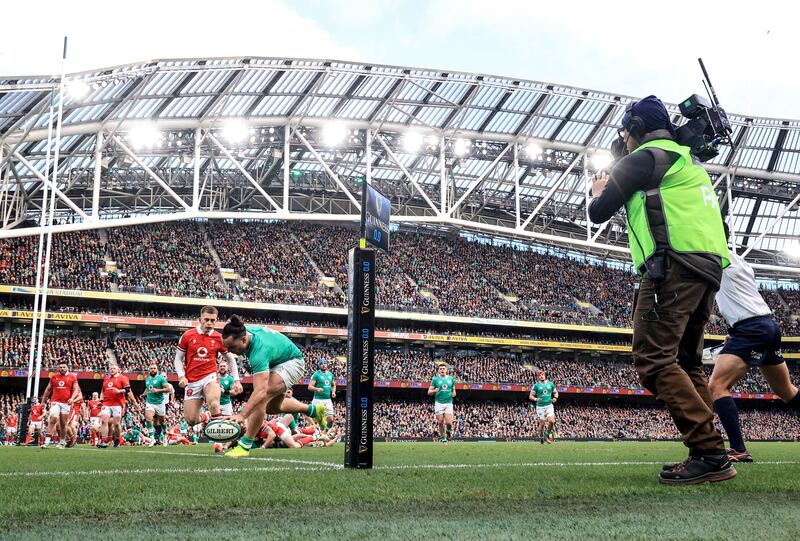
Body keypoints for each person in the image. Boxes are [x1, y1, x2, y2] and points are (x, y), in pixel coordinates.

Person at [588, 95, 735, 484]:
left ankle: (709, 451)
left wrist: (598, 188)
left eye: (625, 131)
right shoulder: (689, 163)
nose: (623, 139)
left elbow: (597, 213)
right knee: (687, 362)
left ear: (635, 129)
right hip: (706, 271)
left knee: (653, 360)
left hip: (671, 269)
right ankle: (709, 451)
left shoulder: (644, 159)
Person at [707, 225, 800, 462]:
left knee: (717, 386)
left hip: (751, 329)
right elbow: (739, 296)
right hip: (767, 325)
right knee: (786, 391)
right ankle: (738, 448)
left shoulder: (716, 256)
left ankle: (738, 449)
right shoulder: (739, 260)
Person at [220, 315, 327, 457]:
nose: (229, 351)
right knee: (272, 407)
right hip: (277, 360)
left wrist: (242, 415)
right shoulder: (244, 332)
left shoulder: (259, 352)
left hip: (293, 362)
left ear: (244, 339)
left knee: (262, 398)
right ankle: (313, 409)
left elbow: (260, 391)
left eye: (231, 347)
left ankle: (244, 446)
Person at [174, 306, 242, 426]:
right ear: (200, 319)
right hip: (192, 380)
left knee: (214, 404)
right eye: (206, 319)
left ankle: (220, 441)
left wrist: (236, 380)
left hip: (210, 376)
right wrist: (181, 376)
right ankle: (206, 416)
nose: (209, 323)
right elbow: (178, 359)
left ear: (216, 320)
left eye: (212, 320)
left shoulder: (218, 338)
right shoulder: (187, 335)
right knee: (191, 420)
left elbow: (230, 359)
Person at [40, 362, 81, 449]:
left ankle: (62, 441)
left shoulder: (72, 377)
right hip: (55, 401)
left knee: (63, 423)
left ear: (67, 368)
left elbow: (76, 390)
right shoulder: (54, 376)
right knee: (53, 419)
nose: (62, 368)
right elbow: (48, 389)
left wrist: (72, 399)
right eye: (60, 367)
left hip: (66, 403)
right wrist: (43, 401)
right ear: (58, 368)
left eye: (64, 367)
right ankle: (46, 442)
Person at [97, 364, 138, 448]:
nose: (112, 370)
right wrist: (100, 401)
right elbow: (102, 391)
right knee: (104, 420)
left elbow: (127, 390)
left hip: (118, 404)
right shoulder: (106, 379)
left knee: (116, 424)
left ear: (118, 369)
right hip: (106, 403)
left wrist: (134, 401)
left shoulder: (123, 378)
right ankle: (104, 440)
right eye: (110, 368)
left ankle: (117, 440)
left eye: (114, 368)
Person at [141, 363, 170, 446]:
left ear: (157, 370)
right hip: (150, 402)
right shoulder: (147, 379)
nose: (152, 370)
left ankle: (164, 435)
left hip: (160, 403)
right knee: (148, 419)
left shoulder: (161, 379)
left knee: (162, 422)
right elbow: (148, 388)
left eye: (154, 368)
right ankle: (152, 439)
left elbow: (168, 389)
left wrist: (158, 390)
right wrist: (143, 394)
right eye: (151, 368)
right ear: (149, 370)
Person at [428, 364, 456, 444]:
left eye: (444, 368)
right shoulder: (435, 379)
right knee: (440, 422)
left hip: (448, 403)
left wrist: (454, 392)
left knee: (449, 423)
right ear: (438, 370)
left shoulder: (451, 379)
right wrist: (434, 391)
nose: (442, 370)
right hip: (439, 403)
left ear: (446, 370)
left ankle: (448, 431)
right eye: (440, 369)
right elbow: (429, 392)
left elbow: (453, 388)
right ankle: (444, 438)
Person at [529, 370, 558, 444]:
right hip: (540, 407)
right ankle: (541, 438)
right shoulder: (536, 385)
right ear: (538, 377)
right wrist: (536, 399)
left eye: (542, 375)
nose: (541, 376)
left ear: (545, 375)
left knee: (552, 421)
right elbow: (531, 396)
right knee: (542, 423)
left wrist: (555, 398)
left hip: (549, 405)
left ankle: (547, 435)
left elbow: (555, 392)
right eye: (539, 375)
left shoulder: (550, 384)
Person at [308, 358, 336, 429]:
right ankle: (314, 434)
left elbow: (333, 385)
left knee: (331, 419)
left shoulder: (331, 375)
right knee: (314, 420)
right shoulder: (316, 374)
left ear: (327, 364)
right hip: (317, 399)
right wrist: (317, 389)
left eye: (324, 363)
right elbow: (310, 387)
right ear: (319, 365)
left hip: (327, 400)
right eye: (321, 364)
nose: (323, 365)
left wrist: (333, 392)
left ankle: (326, 433)